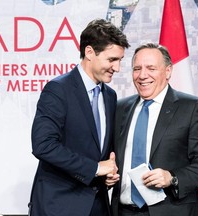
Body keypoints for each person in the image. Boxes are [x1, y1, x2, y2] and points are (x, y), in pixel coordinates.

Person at [29, 18, 130, 216]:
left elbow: (99, 151)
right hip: (59, 206)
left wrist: (106, 176)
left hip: (98, 207)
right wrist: (94, 168)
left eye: (120, 60)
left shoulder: (110, 96)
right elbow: (43, 145)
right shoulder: (58, 90)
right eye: (112, 60)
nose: (117, 68)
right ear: (89, 52)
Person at [109, 43, 198, 216]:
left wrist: (172, 178)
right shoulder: (119, 108)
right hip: (123, 212)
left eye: (151, 68)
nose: (142, 75)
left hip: (174, 211)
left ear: (168, 71)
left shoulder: (191, 107)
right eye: (137, 69)